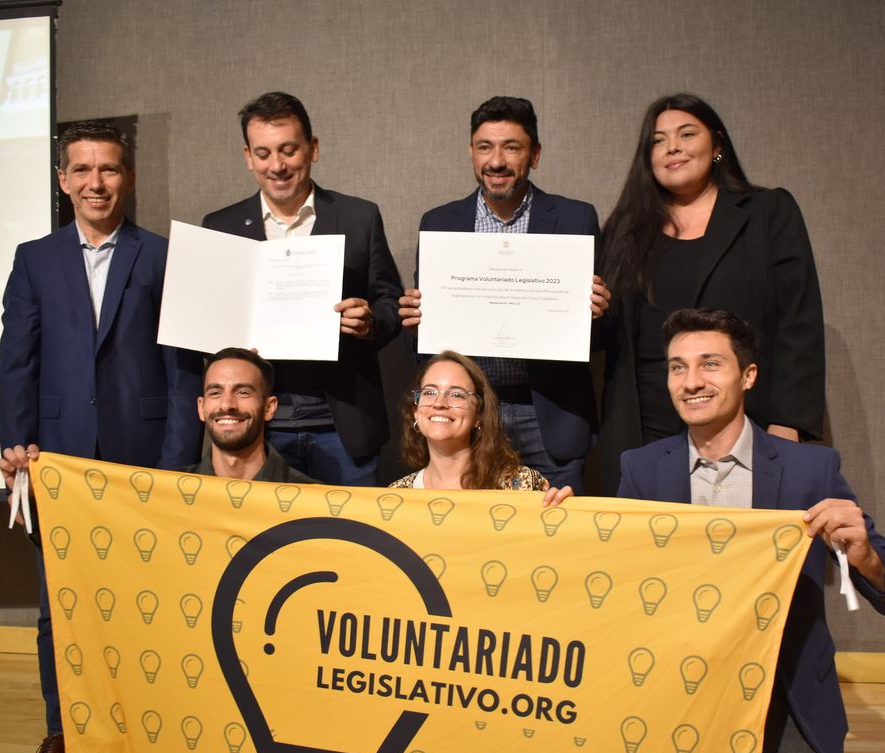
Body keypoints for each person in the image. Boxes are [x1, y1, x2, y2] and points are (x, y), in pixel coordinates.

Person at [618, 308, 885, 753]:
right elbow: (616, 583)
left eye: (710, 364)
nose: (691, 381)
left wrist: (863, 553)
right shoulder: (642, 470)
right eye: (677, 367)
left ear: (749, 375)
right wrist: (575, 525)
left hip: (788, 694)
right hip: (680, 694)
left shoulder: (809, 470)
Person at [0, 121, 203, 753]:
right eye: (81, 170)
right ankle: (61, 735)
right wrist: (15, 446)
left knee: (148, 606)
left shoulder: (164, 256)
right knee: (59, 611)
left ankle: (146, 731)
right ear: (63, 181)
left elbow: (181, 373)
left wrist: (174, 469)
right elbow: (17, 363)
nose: (95, 183)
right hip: (55, 465)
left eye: (109, 169)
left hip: (142, 465)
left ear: (129, 178)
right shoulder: (34, 259)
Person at [599, 92, 826, 493]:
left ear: (716, 144)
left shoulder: (768, 212)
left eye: (687, 134)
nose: (672, 147)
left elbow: (799, 322)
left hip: (747, 420)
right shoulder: (624, 229)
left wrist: (787, 422)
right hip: (647, 425)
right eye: (658, 140)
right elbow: (608, 337)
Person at [398, 96, 610, 494]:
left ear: (535, 154)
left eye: (511, 147)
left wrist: (596, 315)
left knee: (556, 531)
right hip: (469, 410)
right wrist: (415, 325)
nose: (496, 161)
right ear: (471, 153)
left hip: (547, 411)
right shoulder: (440, 222)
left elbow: (599, 338)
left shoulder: (575, 219)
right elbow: (429, 349)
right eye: (485, 147)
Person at [202, 91, 403, 486]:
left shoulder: (359, 216)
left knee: (348, 543)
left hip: (343, 425)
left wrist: (370, 321)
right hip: (257, 428)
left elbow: (391, 304)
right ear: (248, 157)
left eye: (288, 150)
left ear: (313, 149)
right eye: (263, 154)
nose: (276, 165)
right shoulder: (220, 227)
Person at [390, 351, 571, 505]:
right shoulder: (396, 497)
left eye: (456, 394)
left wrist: (566, 513)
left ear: (478, 416)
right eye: (429, 392)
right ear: (415, 411)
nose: (439, 403)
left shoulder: (522, 485)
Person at [186, 347, 318, 483]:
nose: (226, 405)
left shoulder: (314, 499)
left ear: (269, 407)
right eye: (215, 393)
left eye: (243, 392)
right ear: (201, 407)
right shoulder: (170, 493)